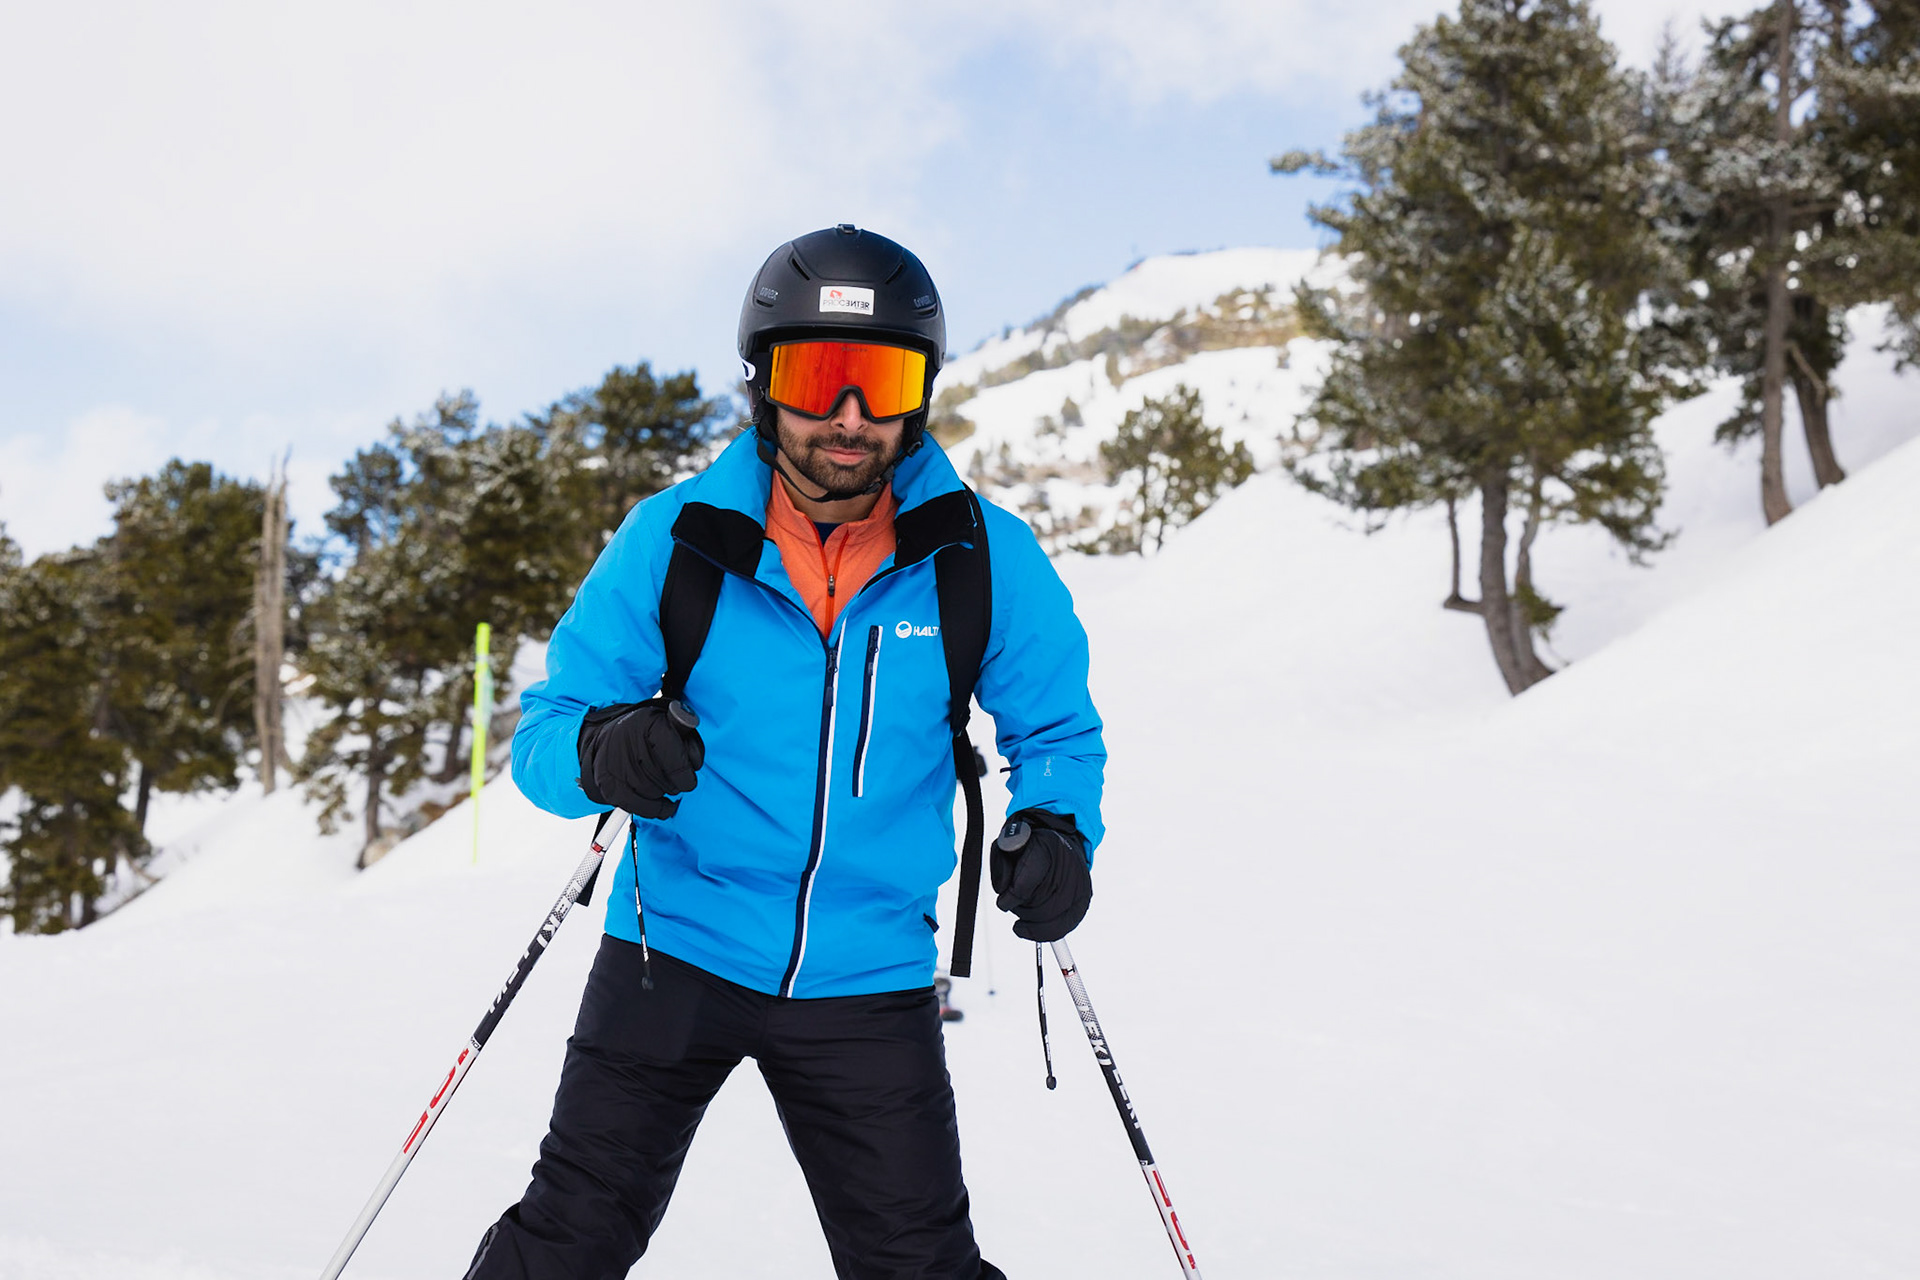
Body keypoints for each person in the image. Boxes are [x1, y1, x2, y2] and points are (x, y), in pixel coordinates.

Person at [465, 225, 1105, 1280]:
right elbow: (547, 729)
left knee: (920, 1266)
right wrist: (606, 750)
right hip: (673, 945)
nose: (848, 417)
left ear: (919, 394)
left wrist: (1059, 829)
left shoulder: (978, 557)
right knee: (570, 1237)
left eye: (881, 381)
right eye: (816, 378)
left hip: (870, 970)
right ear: (764, 384)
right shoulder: (676, 539)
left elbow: (1056, 731)